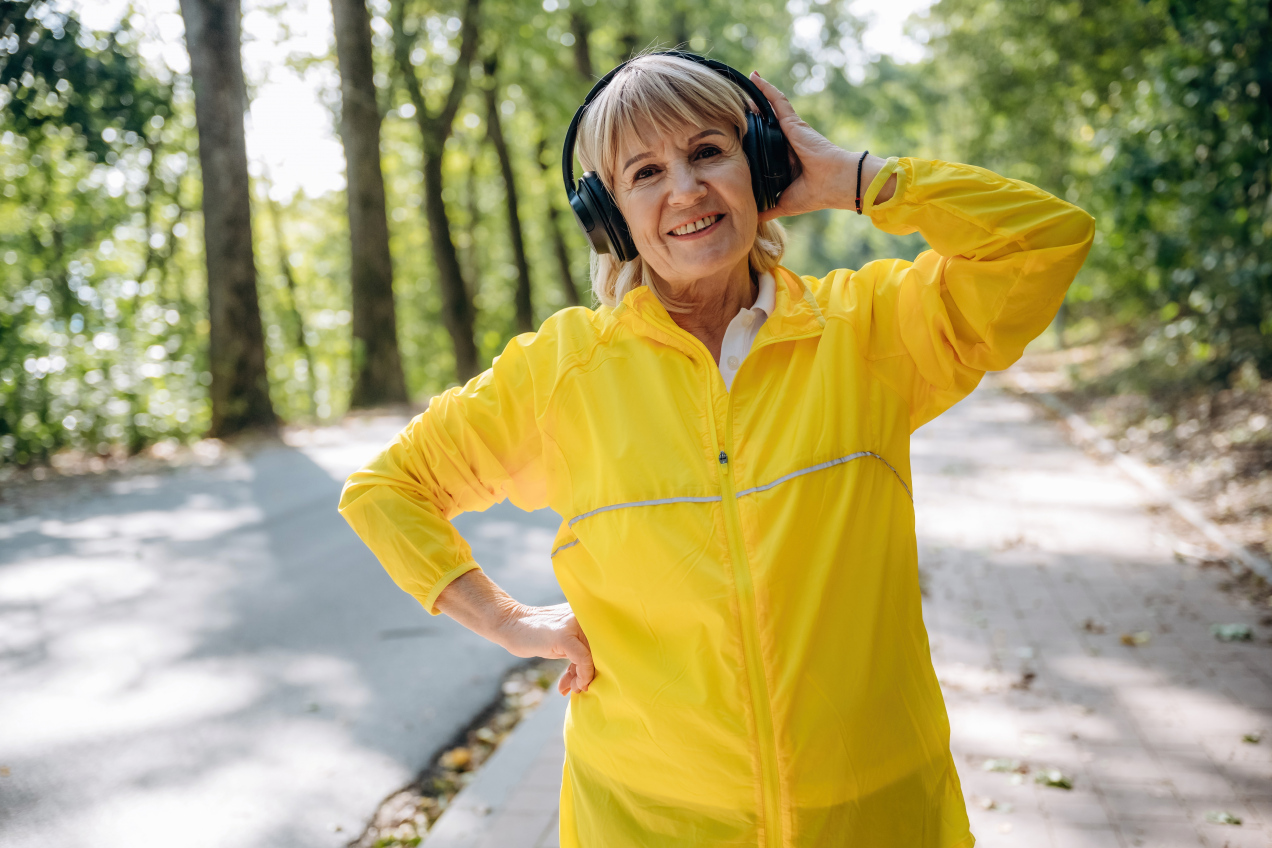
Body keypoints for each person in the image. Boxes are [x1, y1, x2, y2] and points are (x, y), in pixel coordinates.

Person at [339, 51, 1094, 848]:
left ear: (762, 164)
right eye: (645, 172)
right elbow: (387, 490)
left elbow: (1044, 242)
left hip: (874, 810)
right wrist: (508, 619)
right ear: (610, 216)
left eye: (708, 152)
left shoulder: (868, 330)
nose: (686, 191)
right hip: (647, 819)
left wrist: (859, 180)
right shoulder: (560, 374)